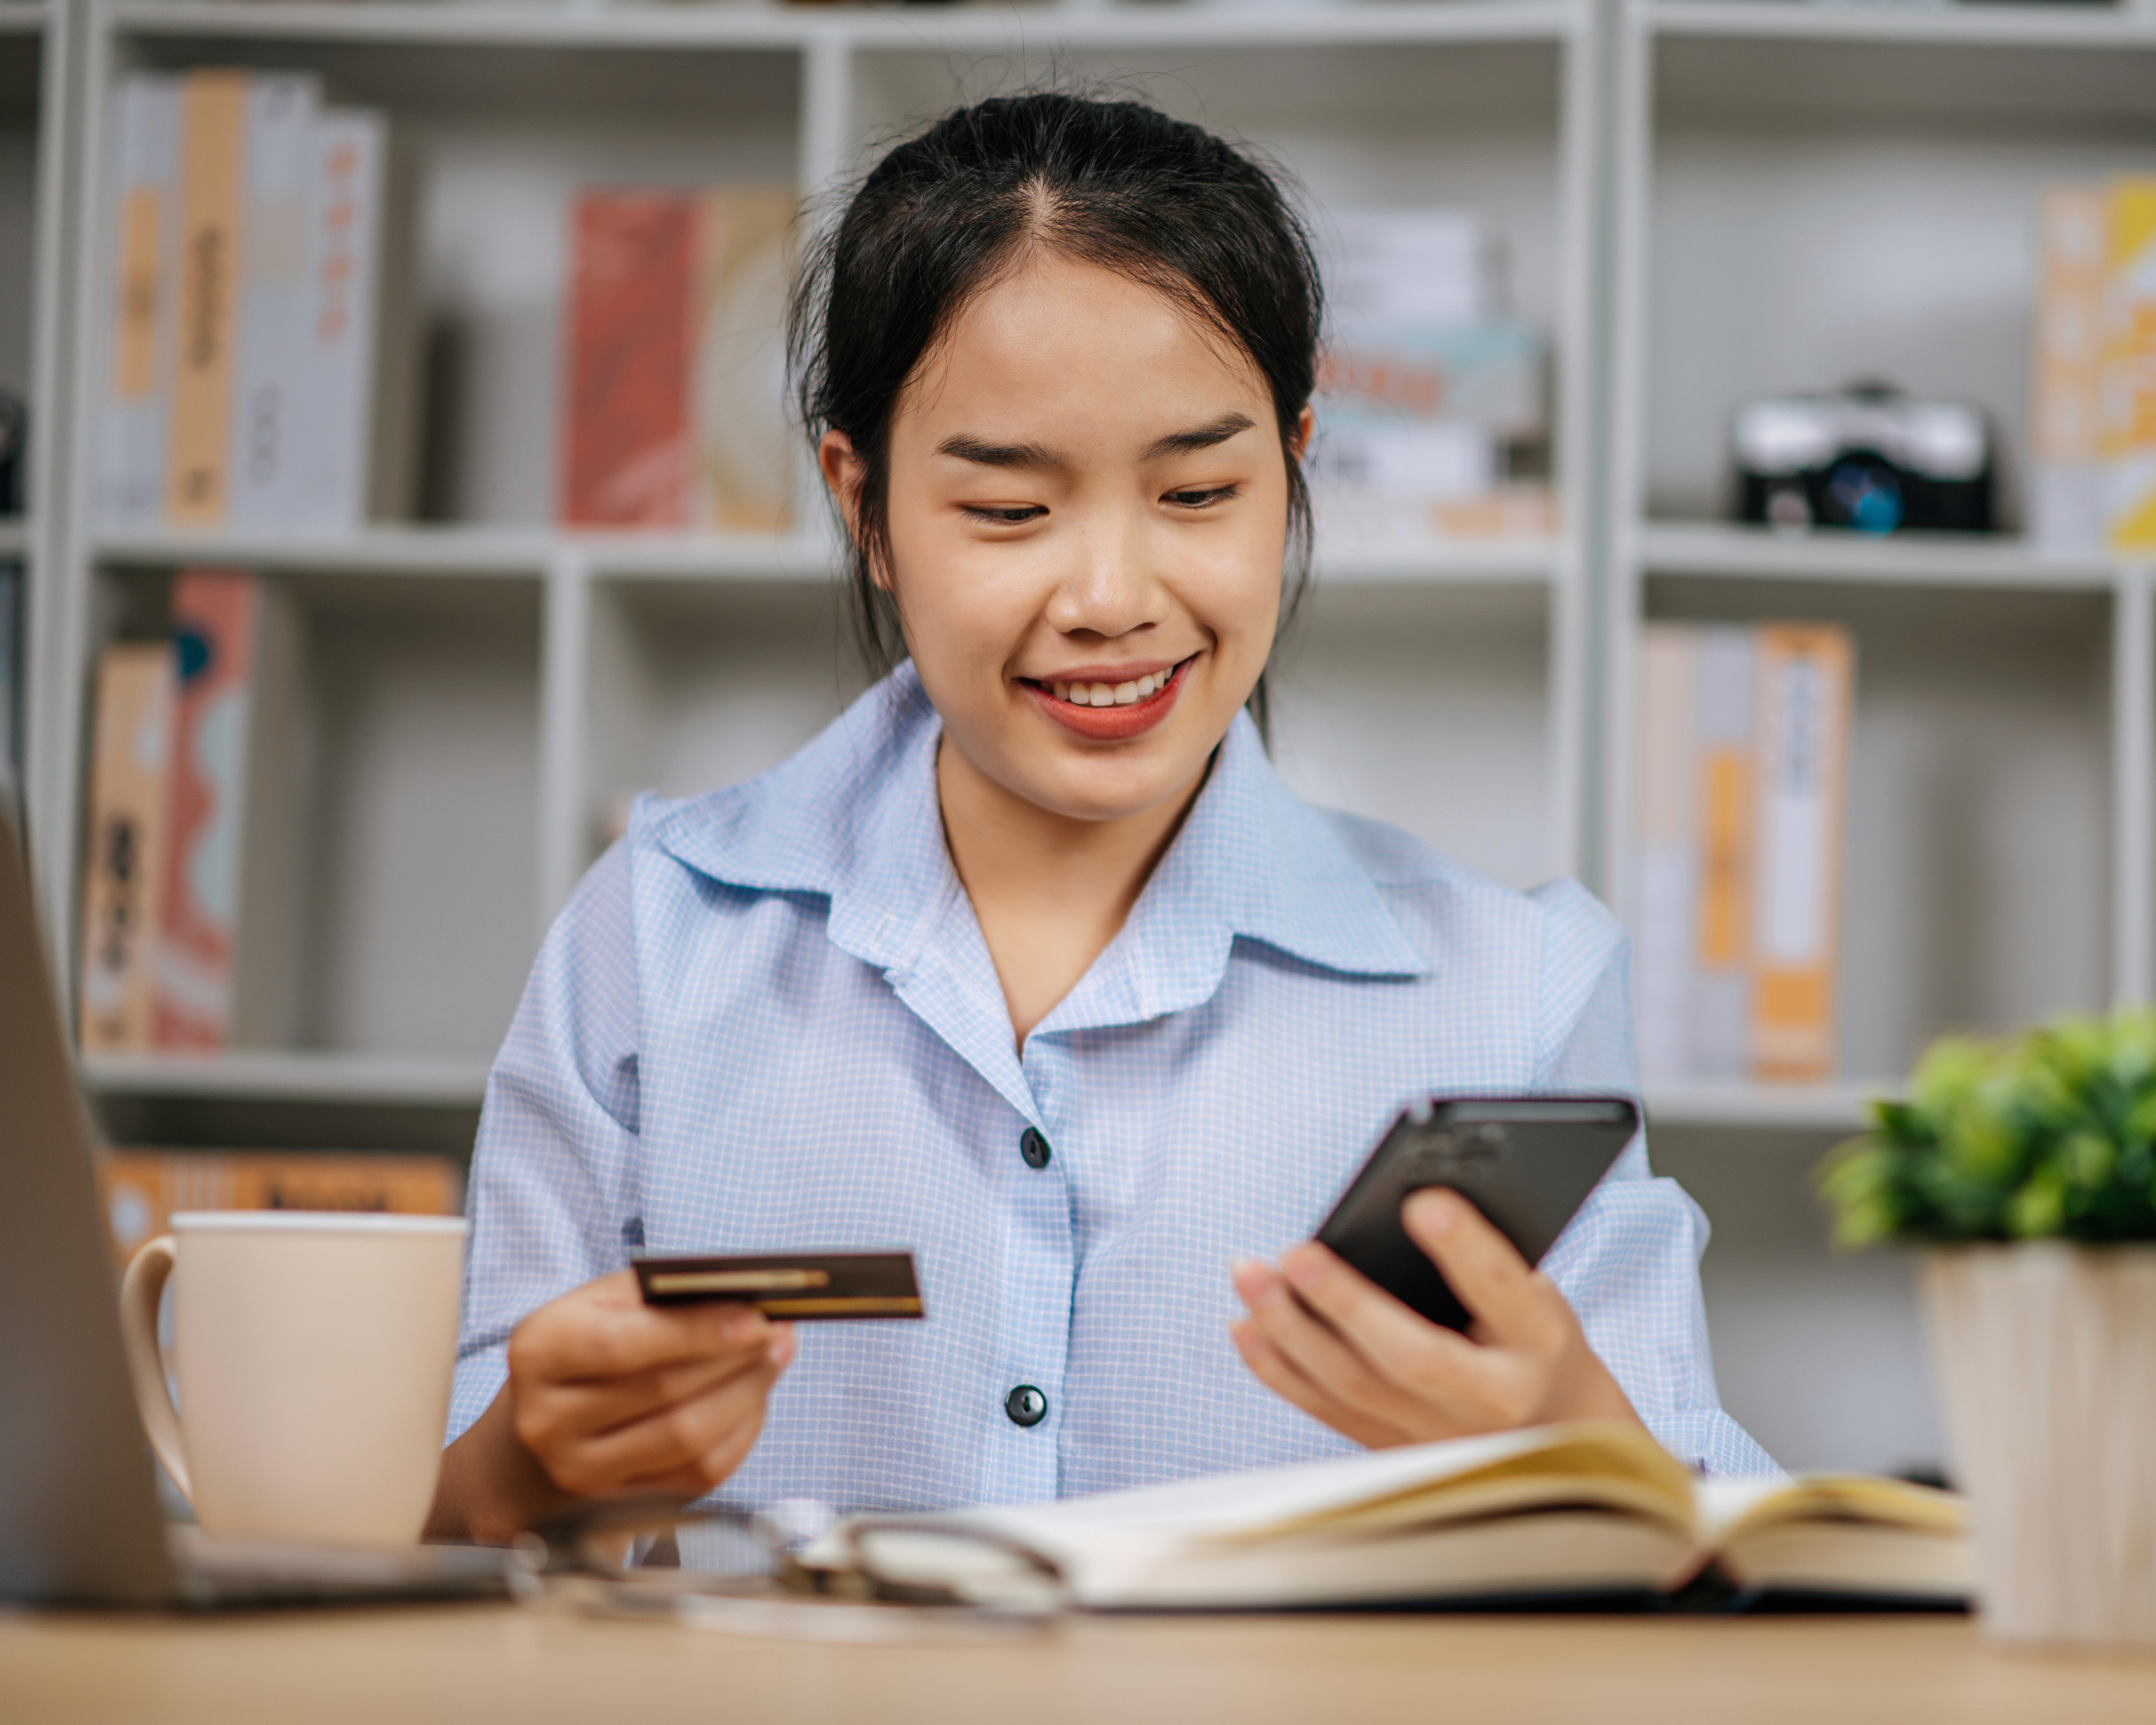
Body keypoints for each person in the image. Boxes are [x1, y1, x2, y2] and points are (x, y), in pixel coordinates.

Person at [426, 92, 1774, 1544]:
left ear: (1296, 462)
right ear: (863, 504)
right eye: (1009, 513)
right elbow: (414, 1528)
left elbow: (1740, 1574)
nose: (1113, 599)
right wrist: (517, 1472)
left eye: (1199, 492)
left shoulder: (1514, 993)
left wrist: (1578, 1445)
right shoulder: (661, 930)